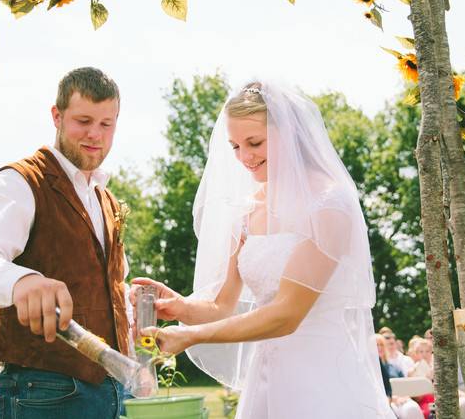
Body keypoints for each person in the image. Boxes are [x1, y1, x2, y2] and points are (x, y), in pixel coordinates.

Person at [133, 83, 394, 418]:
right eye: (236, 146)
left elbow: (286, 313)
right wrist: (179, 306)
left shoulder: (329, 204)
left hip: (323, 377)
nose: (244, 157)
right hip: (266, 377)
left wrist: (191, 336)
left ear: (291, 133)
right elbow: (222, 304)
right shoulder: (248, 211)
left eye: (255, 142)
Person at [0, 67, 131, 419]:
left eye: (106, 124)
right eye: (83, 121)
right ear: (57, 116)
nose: (95, 134)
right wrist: (22, 280)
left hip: (111, 390)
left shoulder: (105, 199)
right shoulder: (20, 182)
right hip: (43, 392)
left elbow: (107, 288)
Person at [376, 335, 421, 419]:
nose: (379, 348)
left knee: (412, 408)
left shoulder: (394, 368)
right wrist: (392, 398)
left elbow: (405, 385)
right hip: (385, 401)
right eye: (376, 345)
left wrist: (405, 396)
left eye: (381, 345)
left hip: (402, 398)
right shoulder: (371, 371)